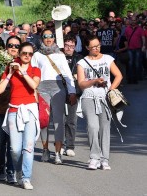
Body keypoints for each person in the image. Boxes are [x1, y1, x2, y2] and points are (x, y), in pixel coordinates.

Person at [0, 42, 41, 190]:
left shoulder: (35, 70)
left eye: (30, 54)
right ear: (19, 54)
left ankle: (26, 177)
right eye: (24, 53)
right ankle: (19, 171)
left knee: (28, 147)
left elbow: (33, 86)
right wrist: (9, 73)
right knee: (15, 149)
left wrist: (23, 72)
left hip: (30, 110)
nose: (27, 56)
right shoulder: (11, 68)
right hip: (14, 110)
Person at [76, 35, 122, 170]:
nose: (96, 48)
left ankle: (104, 159)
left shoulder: (108, 59)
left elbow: (119, 75)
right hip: (89, 97)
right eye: (93, 47)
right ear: (87, 48)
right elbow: (81, 84)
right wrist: (94, 81)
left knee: (104, 128)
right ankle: (94, 157)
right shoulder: (82, 63)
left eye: (98, 46)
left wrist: (111, 90)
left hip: (105, 98)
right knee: (92, 126)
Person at [31, 29, 76, 165]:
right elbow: (33, 73)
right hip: (42, 88)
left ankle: (57, 152)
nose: (48, 39)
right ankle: (45, 149)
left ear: (54, 38)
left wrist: (72, 92)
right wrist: (33, 91)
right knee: (43, 120)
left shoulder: (60, 55)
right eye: (45, 36)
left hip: (58, 89)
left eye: (51, 36)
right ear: (42, 38)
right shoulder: (37, 55)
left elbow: (67, 74)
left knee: (58, 121)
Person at [0, 36, 20, 183]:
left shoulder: (24, 63)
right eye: (10, 45)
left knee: (13, 142)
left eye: (16, 46)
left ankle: (11, 170)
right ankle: (1, 165)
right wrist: (5, 69)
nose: (13, 48)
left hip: (16, 106)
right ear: (6, 47)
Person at [62, 34, 83, 157]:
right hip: (59, 91)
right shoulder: (58, 57)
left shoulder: (79, 58)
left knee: (71, 121)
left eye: (72, 46)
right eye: (67, 45)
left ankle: (69, 146)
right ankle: (59, 145)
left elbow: (82, 75)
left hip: (74, 92)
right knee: (60, 121)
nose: (69, 48)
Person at [124, 16, 146, 83]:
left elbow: (143, 38)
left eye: (134, 20)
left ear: (136, 21)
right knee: (130, 64)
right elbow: (125, 38)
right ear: (130, 21)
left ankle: (136, 78)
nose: (133, 21)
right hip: (130, 48)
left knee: (137, 63)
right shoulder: (127, 29)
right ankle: (131, 78)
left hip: (137, 48)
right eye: (132, 20)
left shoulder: (140, 29)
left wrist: (144, 45)